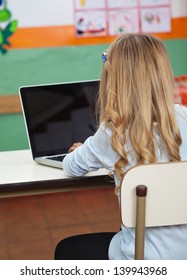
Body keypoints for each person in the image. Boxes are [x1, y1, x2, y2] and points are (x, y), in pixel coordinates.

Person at [54, 32, 187, 260]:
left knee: (66, 249)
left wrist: (81, 151)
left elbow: (70, 167)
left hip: (141, 258)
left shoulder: (113, 134)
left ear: (114, 80)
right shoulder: (184, 116)